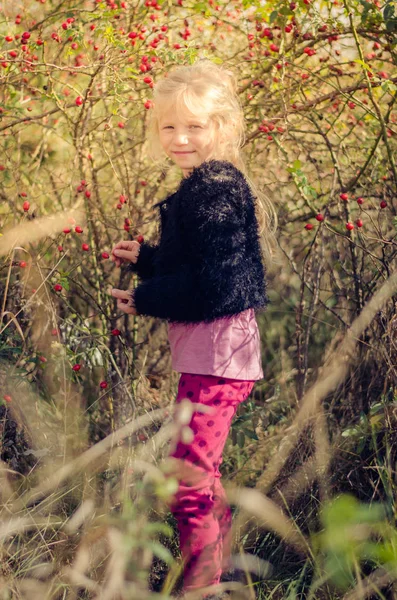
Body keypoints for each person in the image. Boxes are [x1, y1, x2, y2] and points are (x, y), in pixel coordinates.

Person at [110, 59, 278, 599]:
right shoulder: (205, 184)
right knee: (201, 476)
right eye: (168, 127)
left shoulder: (215, 187)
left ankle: (202, 588)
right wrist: (149, 262)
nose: (180, 138)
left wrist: (145, 298)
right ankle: (225, 581)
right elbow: (203, 270)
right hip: (212, 356)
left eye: (194, 126)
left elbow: (221, 288)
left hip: (218, 358)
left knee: (187, 483)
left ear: (222, 128)